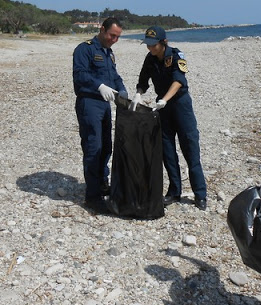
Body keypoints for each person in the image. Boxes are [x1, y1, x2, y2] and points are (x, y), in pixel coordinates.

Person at [131, 26, 207, 210]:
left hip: (180, 105)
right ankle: (174, 191)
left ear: (163, 42)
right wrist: (138, 94)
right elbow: (143, 81)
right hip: (162, 108)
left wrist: (165, 99)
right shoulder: (149, 59)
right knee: (167, 150)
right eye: (147, 45)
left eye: (153, 45)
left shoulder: (176, 55)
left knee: (190, 147)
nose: (150, 48)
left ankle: (200, 194)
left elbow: (179, 80)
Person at [72, 17, 128, 213]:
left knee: (106, 147)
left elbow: (114, 75)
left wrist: (122, 89)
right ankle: (93, 197)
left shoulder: (108, 53)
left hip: (105, 104)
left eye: (118, 37)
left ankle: (103, 183)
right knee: (93, 147)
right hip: (89, 103)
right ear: (103, 30)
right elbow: (80, 74)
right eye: (112, 35)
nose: (115, 40)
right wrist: (99, 85)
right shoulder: (85, 49)